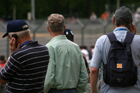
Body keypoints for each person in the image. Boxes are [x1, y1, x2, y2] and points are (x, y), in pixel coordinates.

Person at [90, 6, 140, 93]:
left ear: (113, 20)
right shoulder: (138, 40)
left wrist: (93, 91)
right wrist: (133, 36)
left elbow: (94, 70)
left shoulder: (102, 40)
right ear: (131, 22)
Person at [0, 19, 50, 93]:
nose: (10, 41)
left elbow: (1, 80)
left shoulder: (17, 55)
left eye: (9, 38)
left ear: (14, 37)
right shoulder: (44, 49)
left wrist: (11, 54)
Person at [44, 14, 88, 93]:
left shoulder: (49, 48)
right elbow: (84, 77)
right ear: (64, 27)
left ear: (48, 28)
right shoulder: (76, 47)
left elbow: (49, 79)